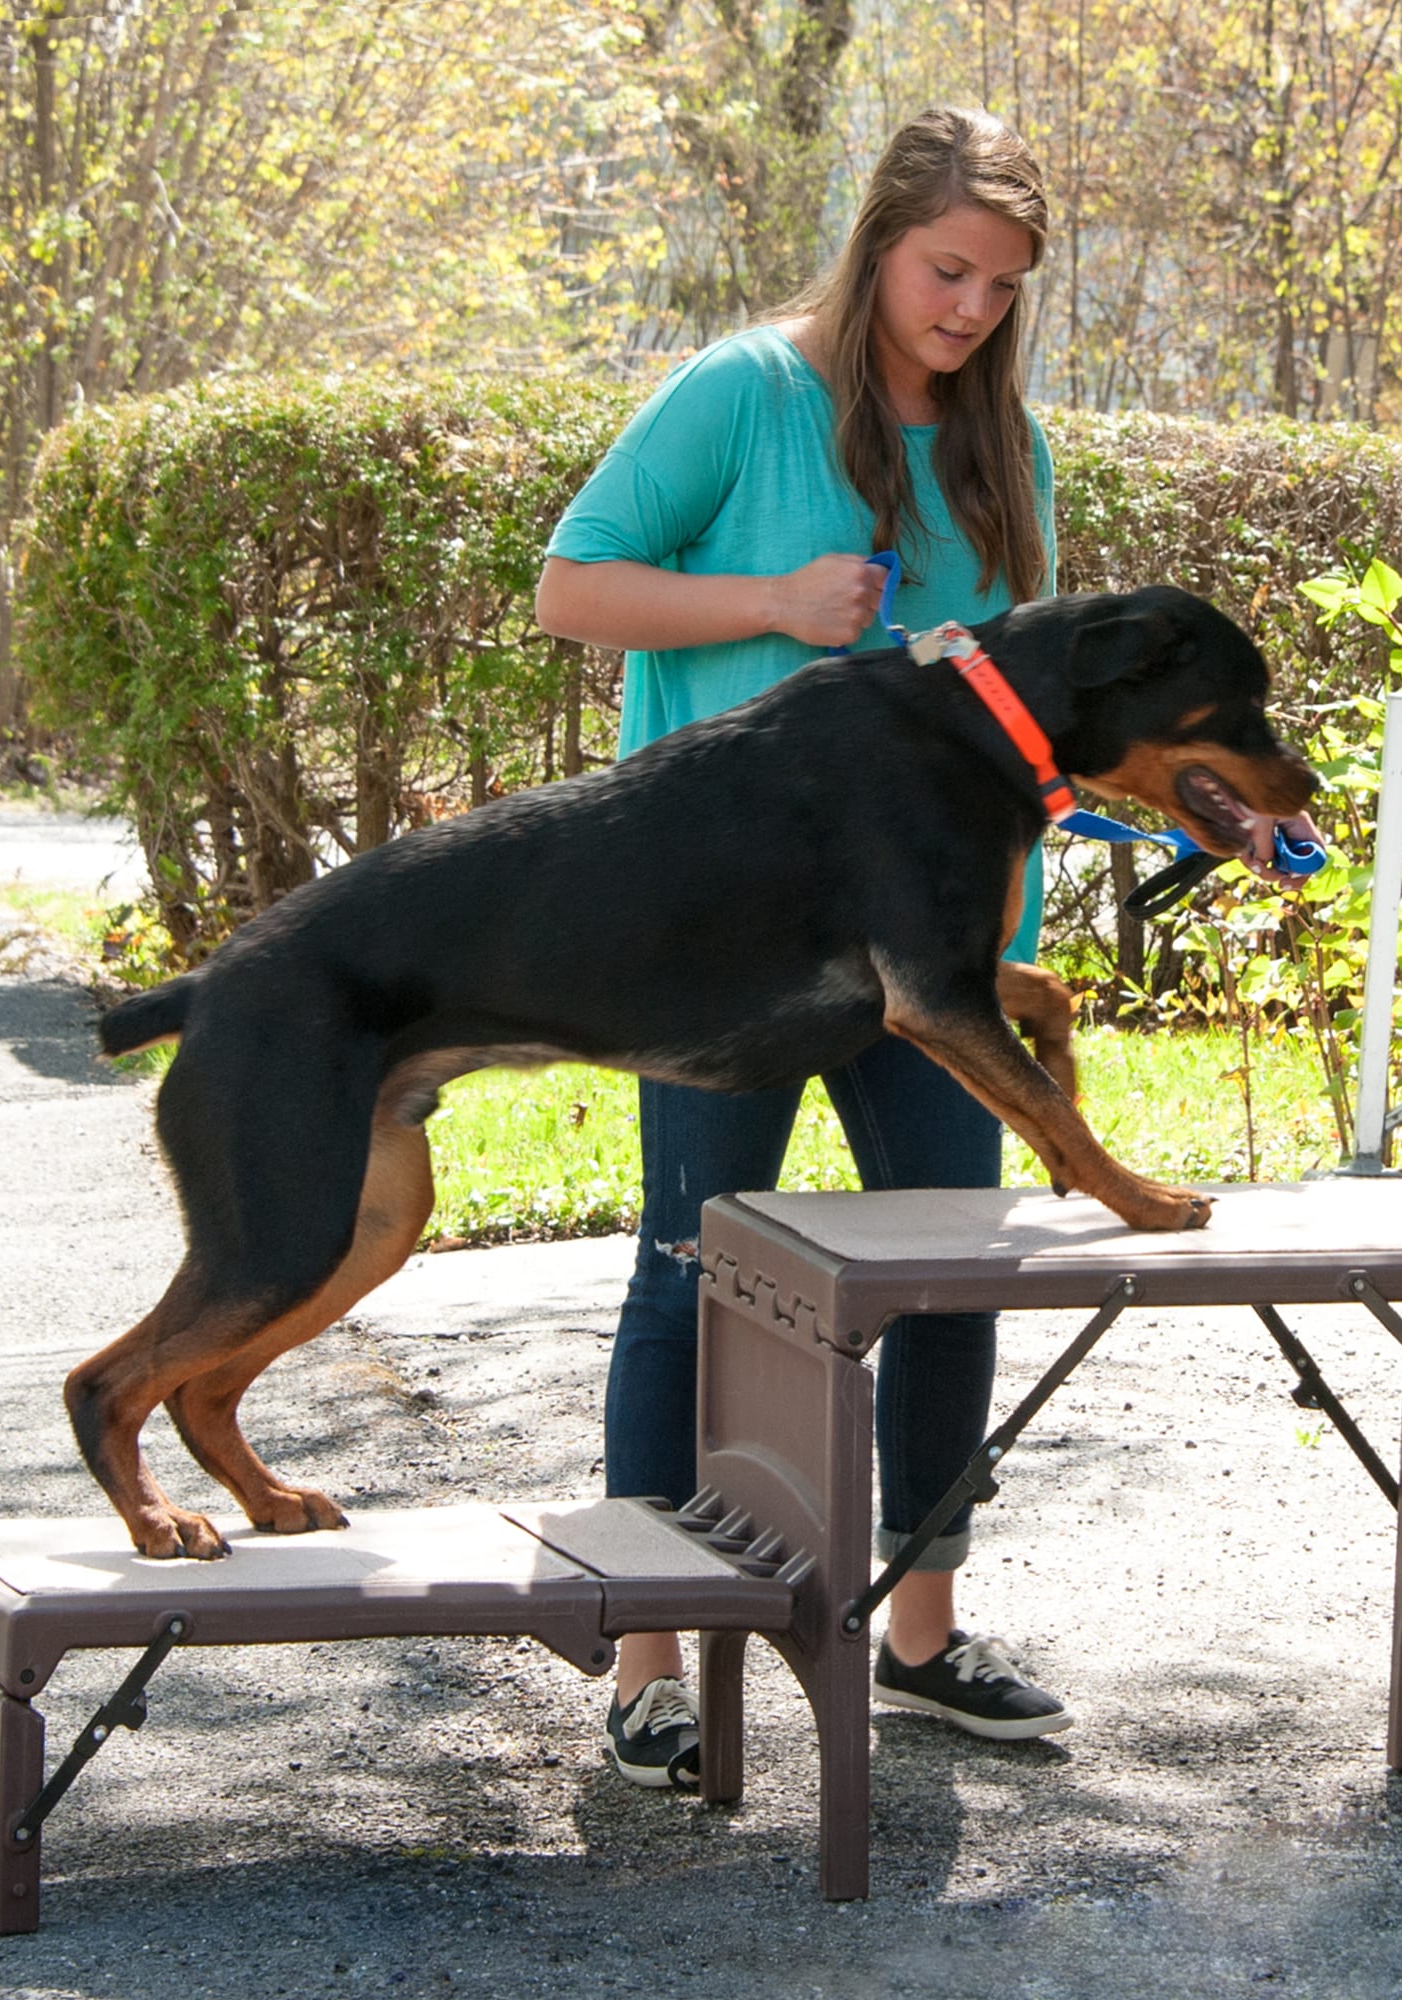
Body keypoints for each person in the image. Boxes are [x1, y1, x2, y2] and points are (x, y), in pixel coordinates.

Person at [535, 106, 1072, 1791]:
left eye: (1001, 284)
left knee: (951, 1269)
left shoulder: (1005, 449)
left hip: (930, 957)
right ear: (879, 242)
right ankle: (644, 1656)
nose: (972, 308)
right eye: (947, 269)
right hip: (719, 943)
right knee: (687, 1272)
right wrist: (771, 601)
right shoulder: (741, 394)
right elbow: (573, 585)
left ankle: (920, 1628)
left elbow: (1012, 711)